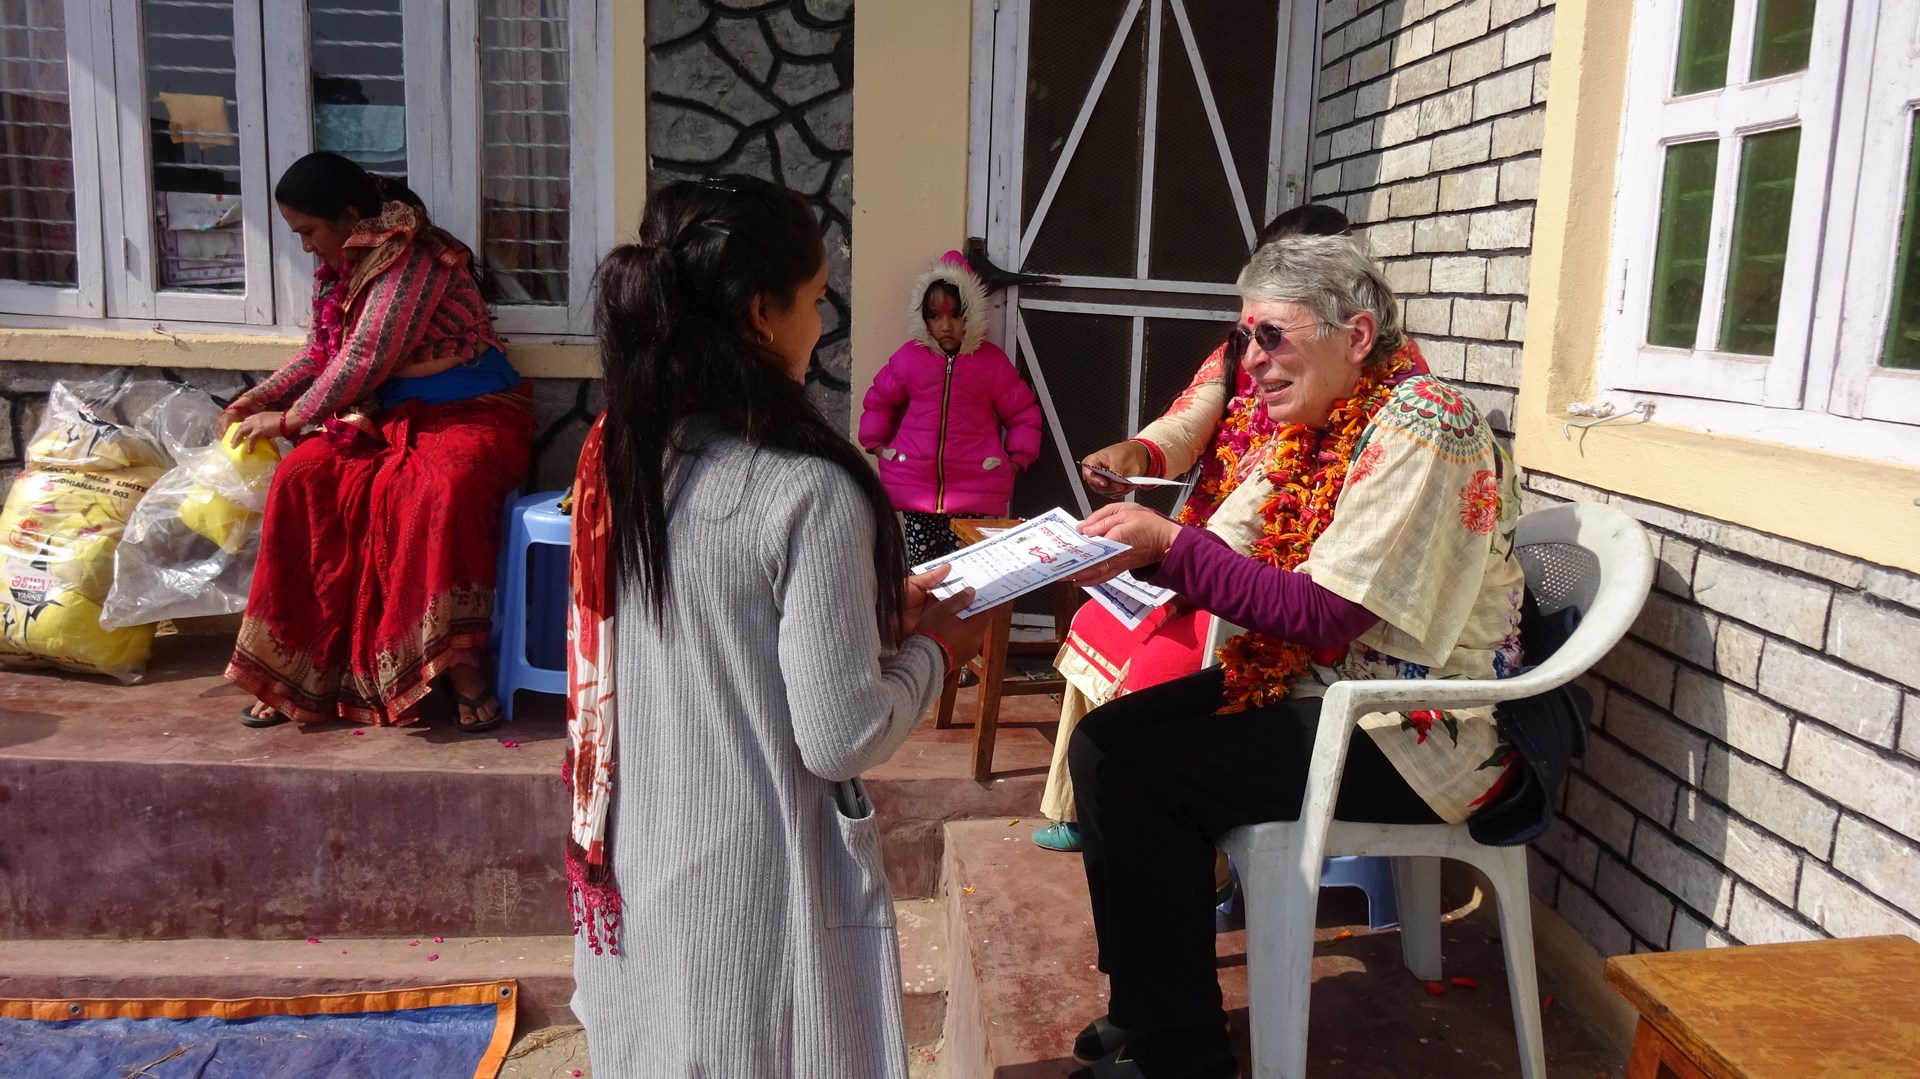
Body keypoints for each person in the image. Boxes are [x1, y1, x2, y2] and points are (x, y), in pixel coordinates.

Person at [1057, 235, 1524, 1078]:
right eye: (1243, 339)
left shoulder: (1426, 422)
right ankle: (1153, 1006)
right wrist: (1098, 554)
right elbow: (1220, 546)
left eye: (1272, 335)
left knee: (1147, 776)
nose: (1252, 362)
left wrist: (1168, 545)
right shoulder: (1316, 423)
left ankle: (1182, 1053)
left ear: (1355, 335)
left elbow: (1327, 614)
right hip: (1324, 691)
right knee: (1102, 744)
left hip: (1410, 729)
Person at [563, 175, 989, 1078]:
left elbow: (715, 638)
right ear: (764, 311)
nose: (821, 323)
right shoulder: (808, 490)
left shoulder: (626, 459)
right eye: (815, 298)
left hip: (643, 851)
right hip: (753, 879)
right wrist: (934, 651)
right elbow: (841, 736)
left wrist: (872, 622)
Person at [1031, 204, 1430, 852]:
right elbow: (1191, 427)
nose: (1262, 356)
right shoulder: (1250, 354)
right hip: (1226, 556)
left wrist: (1174, 548)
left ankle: (1192, 857)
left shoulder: (1400, 409)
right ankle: (1098, 812)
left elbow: (1330, 595)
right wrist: (1139, 465)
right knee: (1104, 634)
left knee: (1162, 677)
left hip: (1325, 628)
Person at [222, 151, 531, 731]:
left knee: (435, 491)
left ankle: (457, 664)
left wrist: (287, 421)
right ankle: (295, 670)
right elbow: (323, 354)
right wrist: (255, 400)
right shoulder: (344, 265)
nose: (307, 247)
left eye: (309, 231)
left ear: (347, 214)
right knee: (302, 478)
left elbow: (365, 357)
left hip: (473, 412)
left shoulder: (415, 260)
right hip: (383, 415)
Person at [859, 250, 1043, 565]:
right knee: (923, 577)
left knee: (972, 580)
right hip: (916, 493)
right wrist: (877, 446)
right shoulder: (909, 358)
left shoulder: (990, 363)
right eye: (935, 315)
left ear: (972, 315)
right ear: (922, 317)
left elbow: (1024, 414)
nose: (945, 326)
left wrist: (1015, 460)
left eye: (956, 315)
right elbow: (879, 399)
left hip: (976, 493)